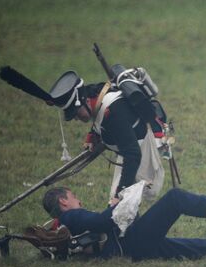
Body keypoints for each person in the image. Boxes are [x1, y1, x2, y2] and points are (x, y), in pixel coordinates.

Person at [42, 186, 206, 264]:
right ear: (64, 201)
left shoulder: (64, 223)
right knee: (175, 198)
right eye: (73, 196)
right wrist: (117, 204)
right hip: (132, 244)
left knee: (204, 247)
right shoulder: (70, 217)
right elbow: (102, 221)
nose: (78, 198)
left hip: (133, 248)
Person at [48, 70, 165, 202]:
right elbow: (99, 118)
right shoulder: (97, 97)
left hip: (143, 147)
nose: (76, 118)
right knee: (120, 206)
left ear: (85, 100)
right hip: (129, 147)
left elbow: (133, 154)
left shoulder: (114, 112)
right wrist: (92, 136)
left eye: (76, 112)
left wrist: (120, 193)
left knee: (123, 202)